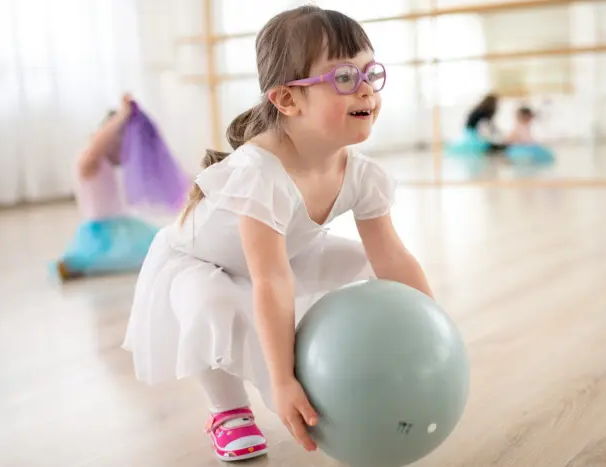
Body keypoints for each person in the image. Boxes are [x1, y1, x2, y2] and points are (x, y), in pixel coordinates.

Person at [121, 6, 433, 462]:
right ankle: (227, 411)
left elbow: (391, 257)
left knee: (366, 266)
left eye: (370, 73)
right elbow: (271, 281)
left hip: (286, 250)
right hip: (202, 263)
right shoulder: (258, 172)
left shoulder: (361, 174)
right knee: (216, 307)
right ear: (287, 100)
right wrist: (284, 380)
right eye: (344, 77)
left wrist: (431, 327)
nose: (366, 88)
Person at [52, 95, 189, 281]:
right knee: (126, 256)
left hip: (123, 225)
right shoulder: (89, 161)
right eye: (119, 141)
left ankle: (80, 266)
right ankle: (75, 265)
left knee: (159, 245)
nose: (124, 149)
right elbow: (98, 144)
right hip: (101, 232)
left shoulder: (106, 161)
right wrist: (123, 114)